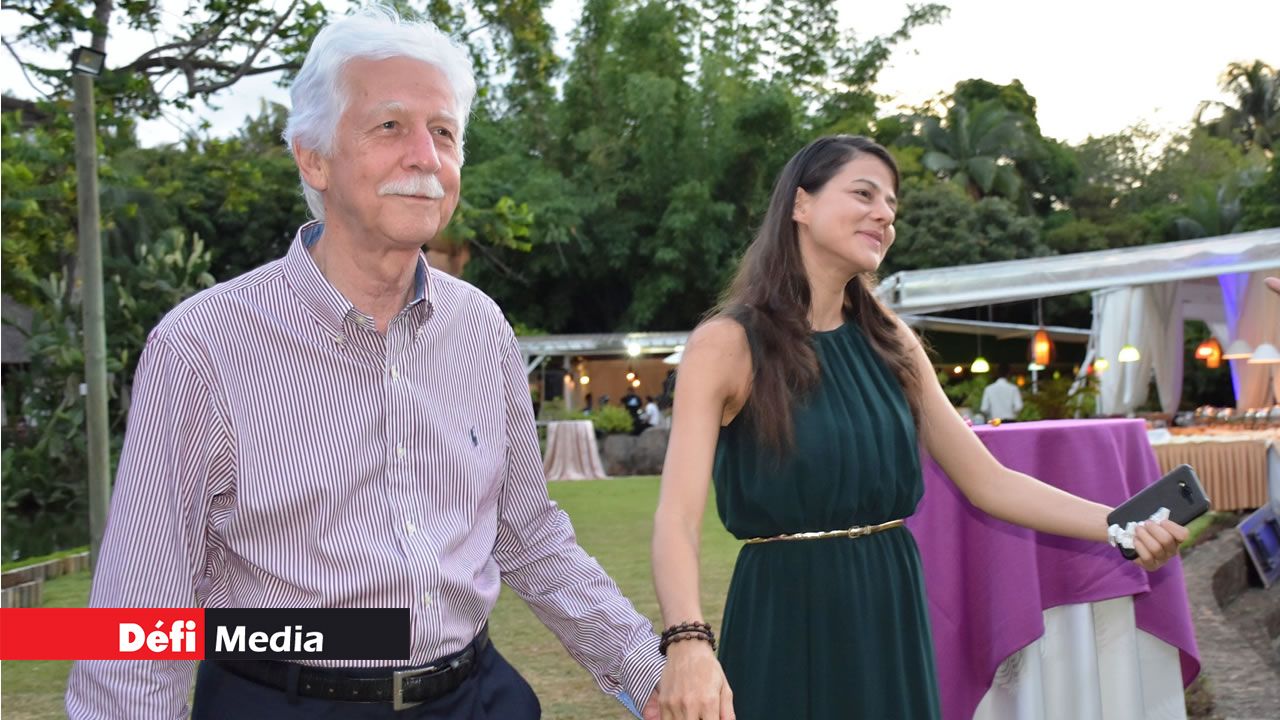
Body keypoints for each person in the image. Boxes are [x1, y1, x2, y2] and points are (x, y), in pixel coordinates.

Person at [65, 7, 662, 719]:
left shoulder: (480, 330)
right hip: (286, 701)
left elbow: (529, 535)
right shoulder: (202, 349)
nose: (424, 156)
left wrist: (648, 671)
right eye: (390, 126)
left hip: (476, 695)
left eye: (443, 132)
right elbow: (140, 615)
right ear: (313, 156)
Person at [649, 135, 1187, 720]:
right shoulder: (725, 344)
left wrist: (1118, 525)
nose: (884, 213)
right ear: (800, 205)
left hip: (892, 607)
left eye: (891, 205)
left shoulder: (891, 341)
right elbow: (677, 518)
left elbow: (989, 481)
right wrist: (687, 642)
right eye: (863, 193)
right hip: (786, 613)